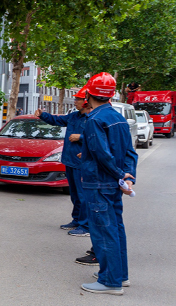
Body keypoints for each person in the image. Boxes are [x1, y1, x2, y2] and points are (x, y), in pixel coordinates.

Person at [79, 72, 137, 295]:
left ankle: (109, 281)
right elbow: (130, 153)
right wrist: (127, 176)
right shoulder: (119, 118)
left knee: (104, 232)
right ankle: (120, 276)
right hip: (113, 184)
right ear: (111, 95)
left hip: (100, 183)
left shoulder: (95, 119)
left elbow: (102, 155)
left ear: (88, 93)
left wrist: (118, 176)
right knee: (116, 229)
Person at [36, 85, 92, 237]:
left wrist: (80, 137)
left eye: (77, 99)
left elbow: (98, 138)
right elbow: (58, 120)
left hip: (82, 162)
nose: (75, 102)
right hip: (70, 161)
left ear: (86, 101)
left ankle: (85, 225)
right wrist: (43, 115)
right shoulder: (74, 116)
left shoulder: (92, 119)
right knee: (74, 194)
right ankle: (76, 220)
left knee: (82, 194)